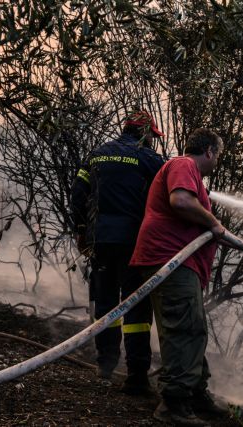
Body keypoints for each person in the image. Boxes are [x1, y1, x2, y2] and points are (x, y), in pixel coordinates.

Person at [130, 128, 243, 425]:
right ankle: (173, 404)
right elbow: (181, 202)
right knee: (184, 330)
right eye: (219, 155)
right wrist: (214, 223)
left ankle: (195, 394)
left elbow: (209, 231)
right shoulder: (183, 165)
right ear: (210, 152)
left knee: (194, 329)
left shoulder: (193, 183)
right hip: (170, 262)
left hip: (178, 264)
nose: (218, 161)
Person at [70, 110, 165, 394]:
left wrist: (81, 229)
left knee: (106, 303)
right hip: (133, 243)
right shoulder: (149, 159)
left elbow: (78, 192)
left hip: (100, 240)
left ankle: (106, 366)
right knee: (136, 305)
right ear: (145, 133)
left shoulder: (97, 154)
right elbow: (167, 194)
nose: (152, 141)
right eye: (152, 136)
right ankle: (137, 375)